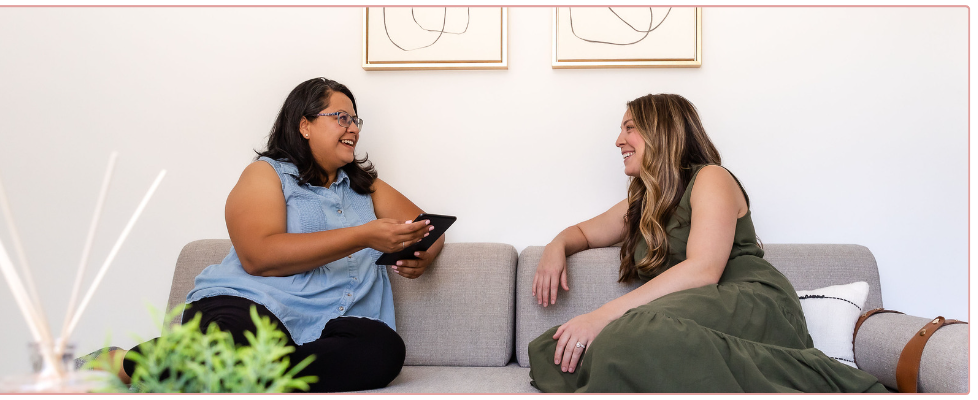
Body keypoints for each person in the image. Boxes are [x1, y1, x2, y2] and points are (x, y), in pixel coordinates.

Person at [101, 77, 444, 392]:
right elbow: (258, 256)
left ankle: (235, 373)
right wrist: (362, 236)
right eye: (341, 117)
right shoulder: (265, 175)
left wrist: (424, 255)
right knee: (238, 338)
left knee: (382, 350)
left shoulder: (366, 188)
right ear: (305, 125)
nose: (352, 127)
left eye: (356, 120)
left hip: (330, 330)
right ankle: (128, 364)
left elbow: (428, 227)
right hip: (250, 308)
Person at [526, 94, 887, 393]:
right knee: (550, 349)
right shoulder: (642, 204)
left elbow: (704, 269)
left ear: (662, 132)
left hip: (749, 300)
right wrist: (556, 246)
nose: (619, 140)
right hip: (686, 313)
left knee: (624, 335)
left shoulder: (710, 178)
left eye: (630, 128)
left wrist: (602, 316)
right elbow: (584, 233)